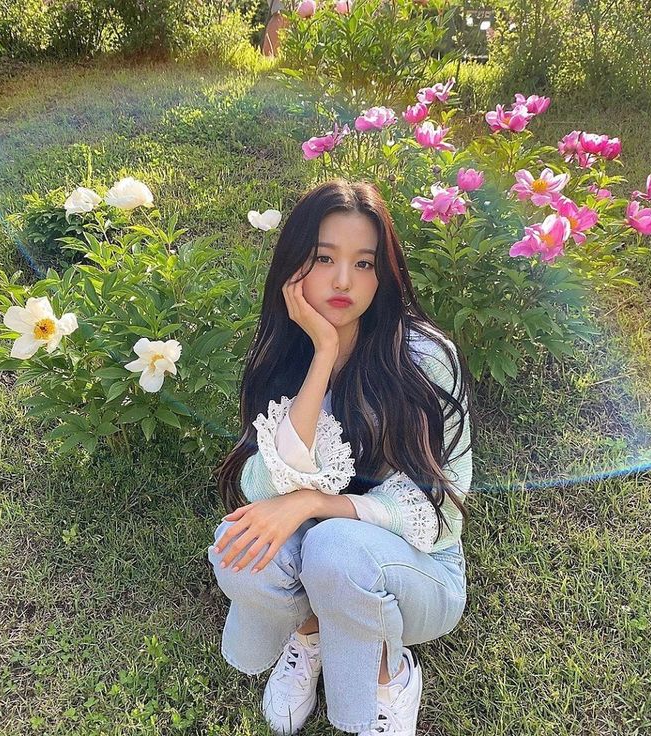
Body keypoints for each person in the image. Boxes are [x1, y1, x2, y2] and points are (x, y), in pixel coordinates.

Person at [208, 179, 473, 735]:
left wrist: (311, 501)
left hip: (416, 571)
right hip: (329, 554)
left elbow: (440, 512)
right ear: (294, 264)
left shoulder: (424, 359)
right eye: (324, 258)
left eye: (364, 262)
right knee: (241, 547)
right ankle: (310, 631)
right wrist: (324, 354)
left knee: (334, 545)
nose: (344, 281)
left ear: (384, 273)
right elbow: (261, 488)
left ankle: (386, 672)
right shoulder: (286, 351)